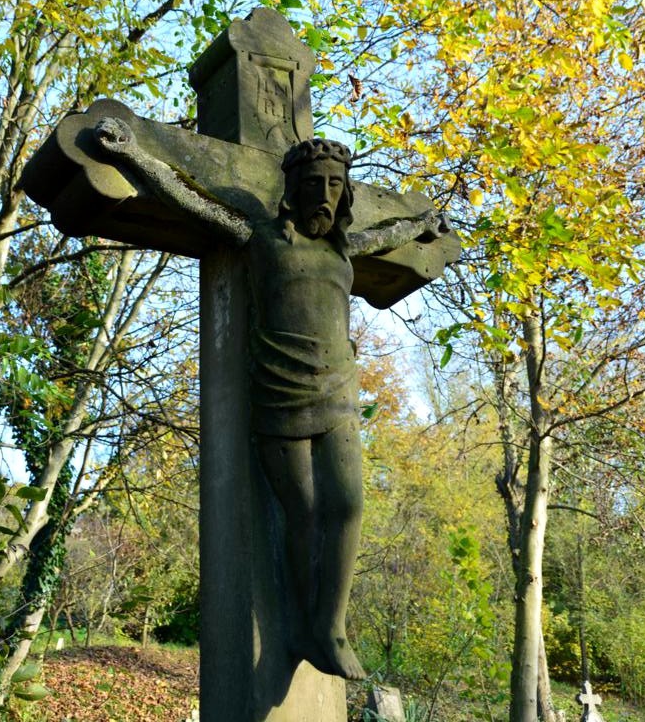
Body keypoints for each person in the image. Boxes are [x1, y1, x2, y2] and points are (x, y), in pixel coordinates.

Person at [93, 120, 448, 680]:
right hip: (280, 393)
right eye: (314, 183)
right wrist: (134, 155)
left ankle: (330, 628)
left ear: (346, 194)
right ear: (293, 189)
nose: (325, 194)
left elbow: (390, 234)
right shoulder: (262, 238)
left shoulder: (344, 248)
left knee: (349, 506)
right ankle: (301, 630)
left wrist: (425, 222)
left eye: (335, 184)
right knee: (301, 513)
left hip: (339, 388)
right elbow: (190, 200)